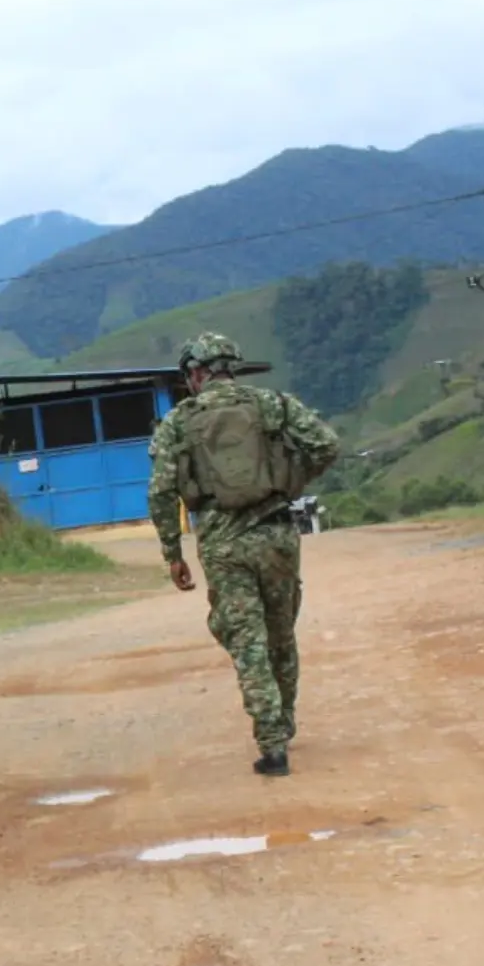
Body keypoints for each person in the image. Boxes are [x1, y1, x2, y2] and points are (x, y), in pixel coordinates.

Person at [147, 332, 339, 777]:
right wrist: (290, 480)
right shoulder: (272, 404)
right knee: (280, 634)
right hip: (276, 536)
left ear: (196, 373)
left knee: (245, 639)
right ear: (231, 366)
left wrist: (172, 552)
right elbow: (326, 445)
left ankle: (272, 745)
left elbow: (160, 491)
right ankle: (283, 723)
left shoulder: (179, 421)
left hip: (222, 543)